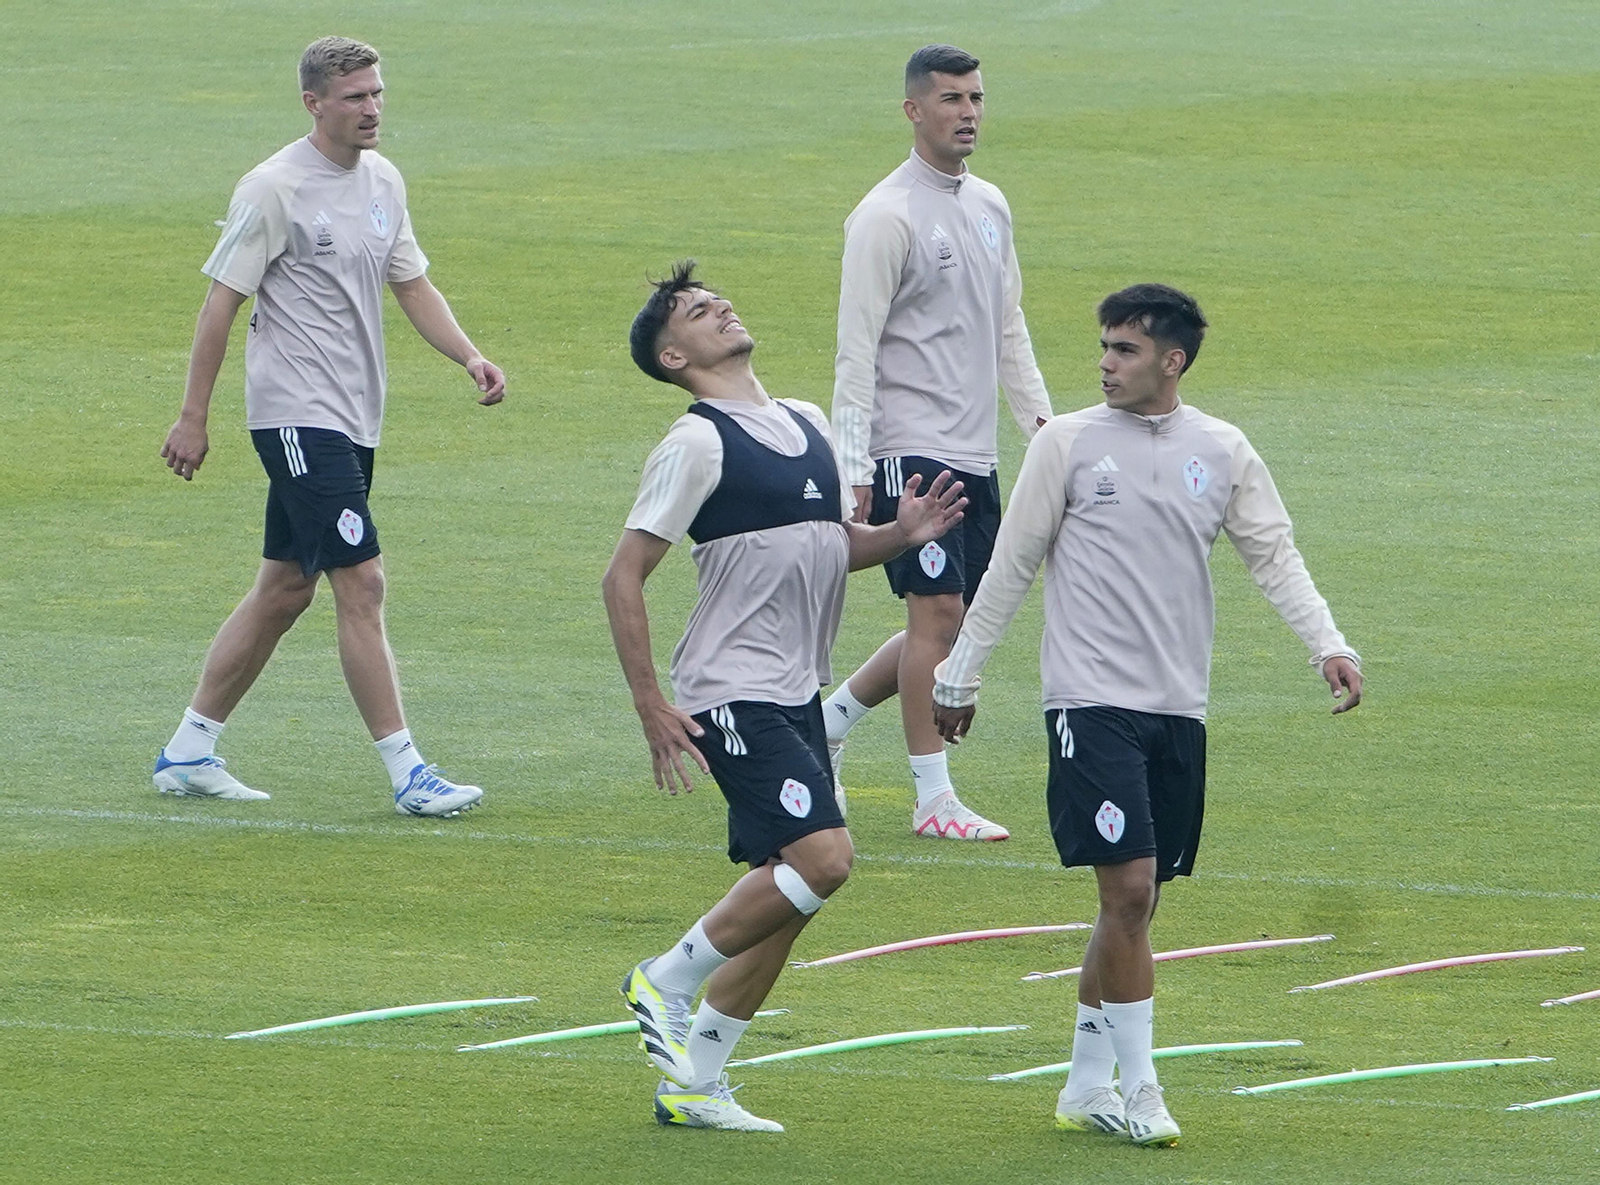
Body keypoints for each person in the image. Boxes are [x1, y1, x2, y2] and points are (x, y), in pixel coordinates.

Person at [932, 284, 1363, 1147]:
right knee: (1127, 888)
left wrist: (1327, 642)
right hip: (1089, 701)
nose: (1105, 363)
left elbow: (1273, 554)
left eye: (1125, 350)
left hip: (1179, 707)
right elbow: (1012, 564)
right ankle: (1141, 1087)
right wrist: (959, 673)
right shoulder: (1065, 443)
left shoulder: (1223, 448)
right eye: (1103, 346)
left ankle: (1084, 1084)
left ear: (1174, 360)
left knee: (1139, 903)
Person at [603, 262, 965, 1132]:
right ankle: (666, 976)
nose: (720, 307)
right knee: (824, 860)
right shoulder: (695, 445)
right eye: (696, 311)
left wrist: (897, 535)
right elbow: (622, 578)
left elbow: (823, 546)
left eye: (715, 298)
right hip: (732, 692)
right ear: (672, 353)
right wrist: (652, 704)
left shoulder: (804, 420)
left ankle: (697, 1083)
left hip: (794, 690)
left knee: (793, 897)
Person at [153, 36, 506, 816]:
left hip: (352, 418)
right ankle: (409, 772)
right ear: (314, 103)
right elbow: (221, 303)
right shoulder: (274, 188)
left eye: (377, 93)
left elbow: (411, 282)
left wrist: (468, 356)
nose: (372, 108)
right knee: (363, 579)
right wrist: (192, 416)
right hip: (294, 415)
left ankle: (186, 750)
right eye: (355, 97)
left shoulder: (383, 180)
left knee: (283, 590)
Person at [824, 43, 1054, 842]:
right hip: (907, 449)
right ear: (913, 110)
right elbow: (855, 349)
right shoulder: (884, 216)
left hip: (975, 451)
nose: (968, 112)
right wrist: (853, 467)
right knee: (940, 614)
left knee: (948, 624)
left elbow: (1009, 325)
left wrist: (1044, 433)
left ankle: (829, 723)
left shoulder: (990, 205)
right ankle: (933, 799)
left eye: (977, 97)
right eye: (952, 98)